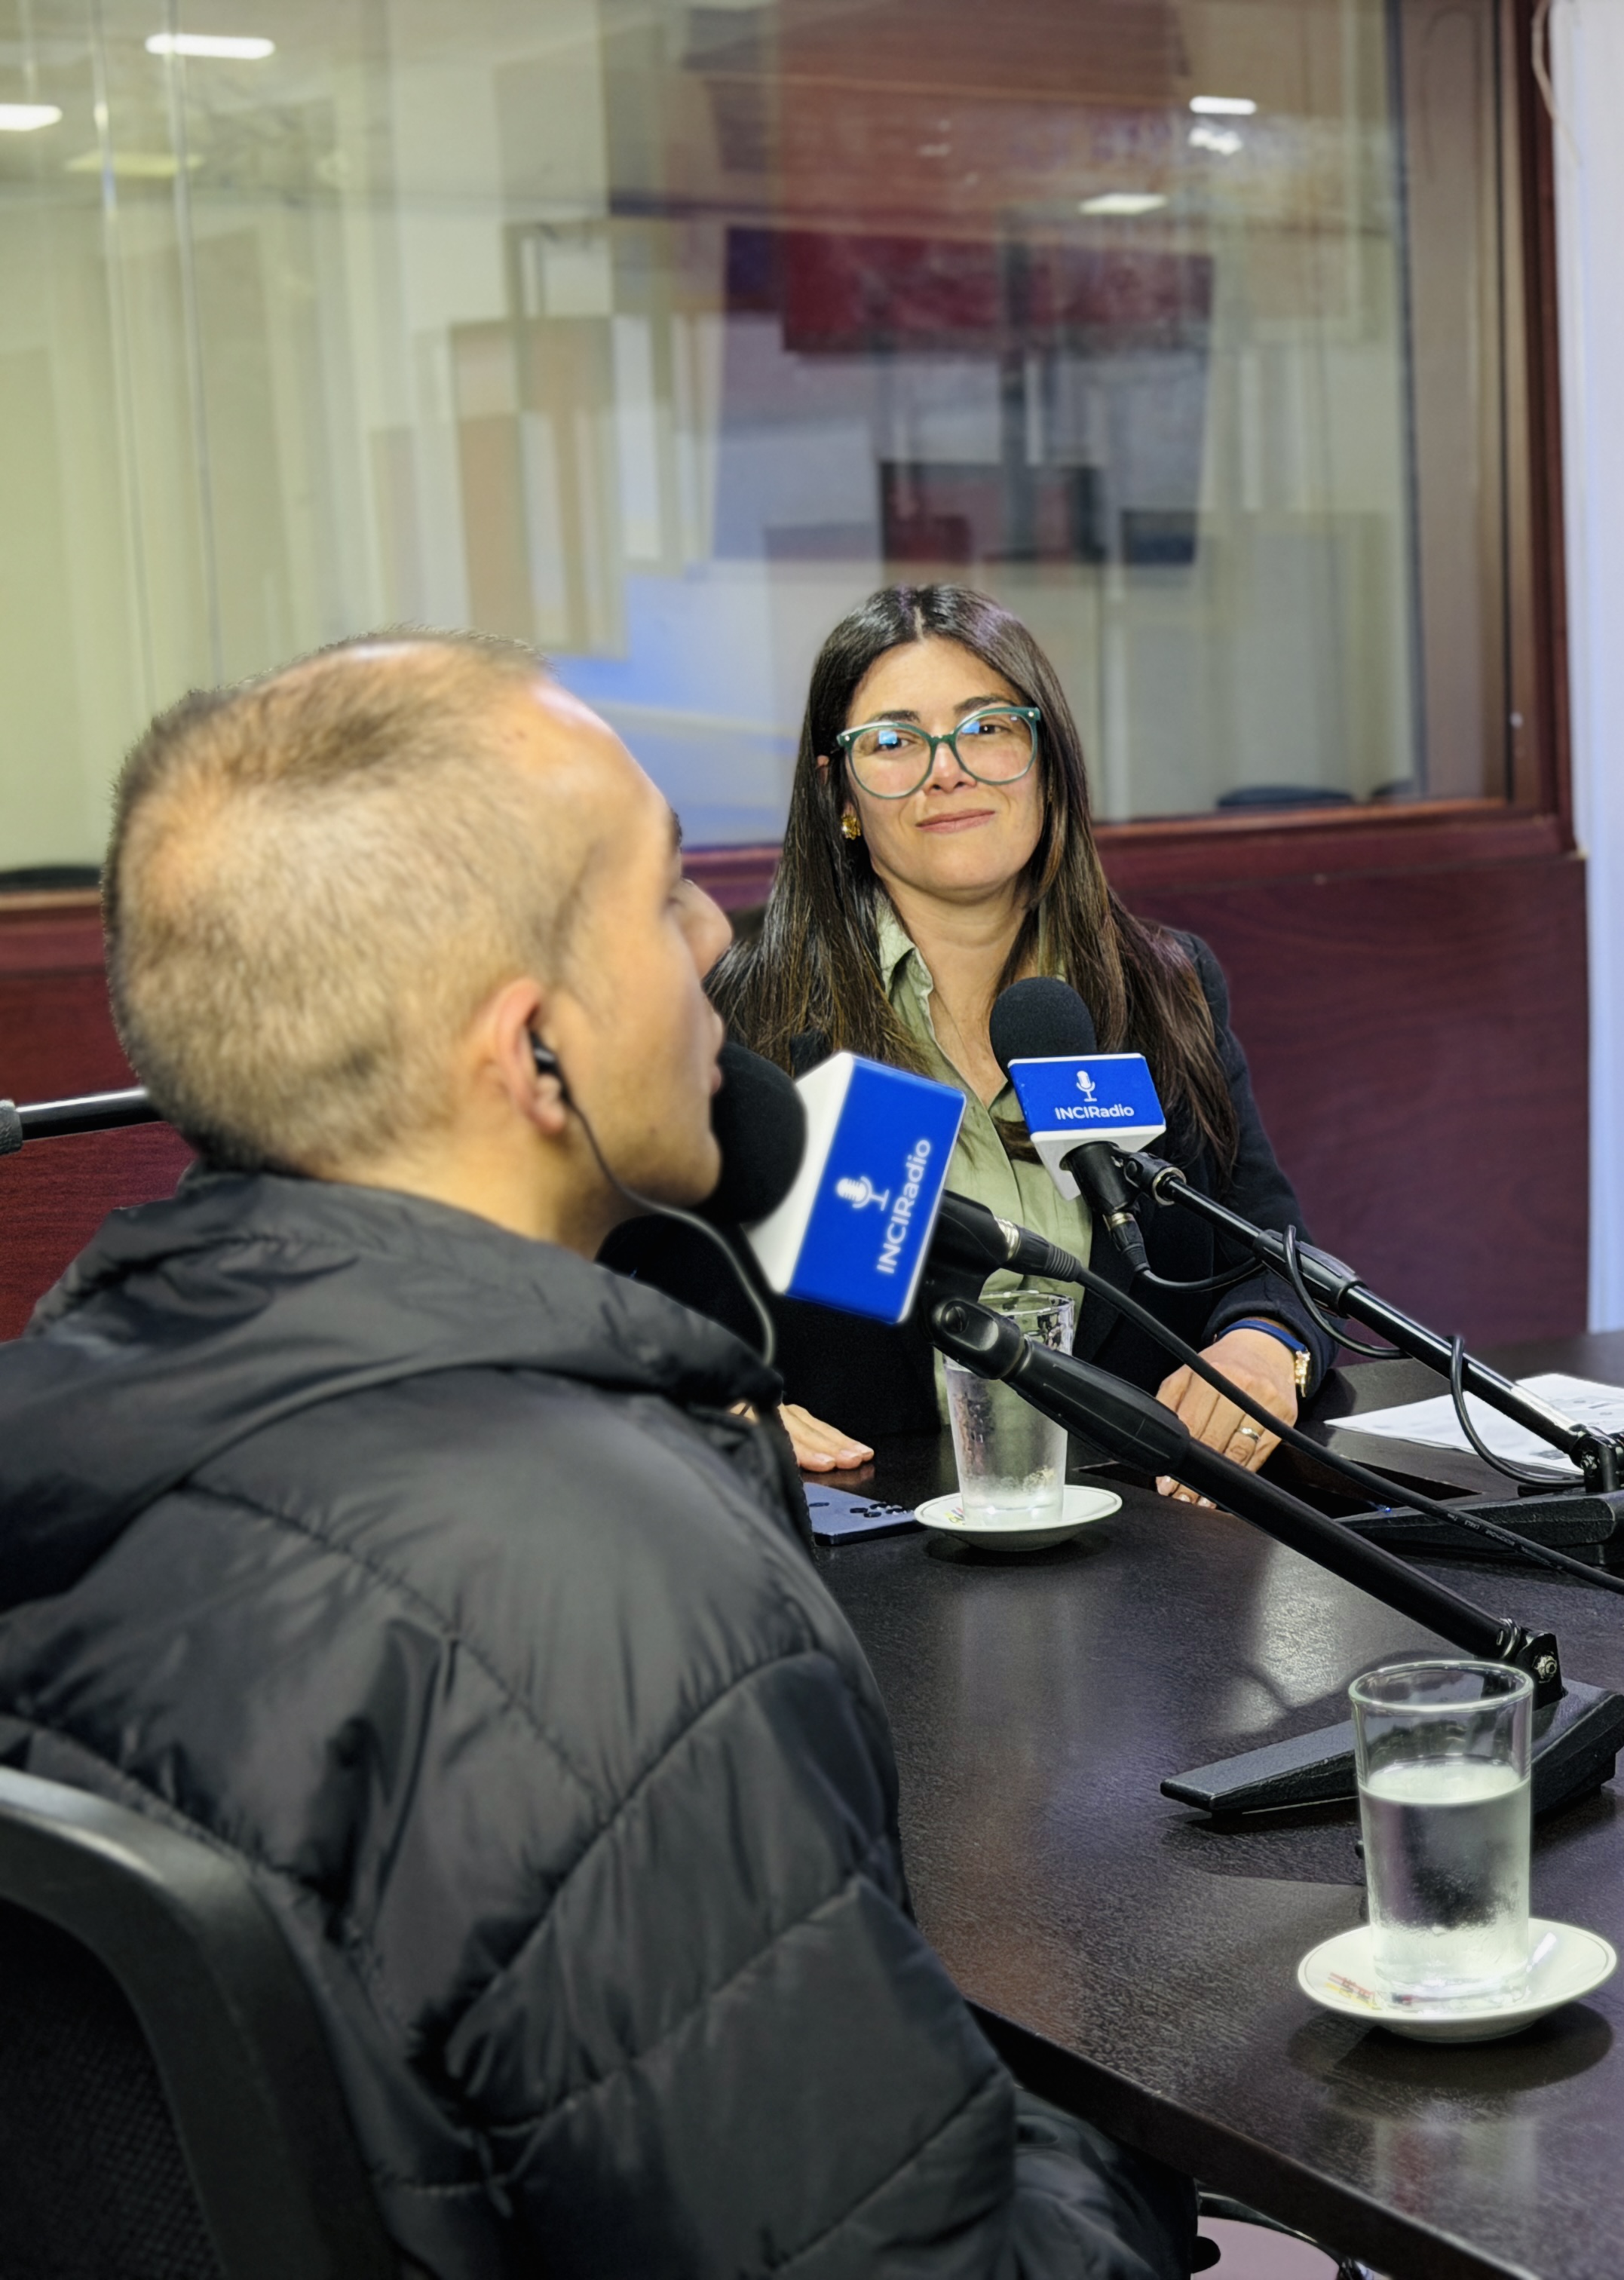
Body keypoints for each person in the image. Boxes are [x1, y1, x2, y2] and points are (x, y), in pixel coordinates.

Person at [0, 636, 1187, 2275]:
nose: (717, 942)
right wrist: (1128, 2133)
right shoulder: (612, 1602)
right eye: (660, 902)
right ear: (528, 1051)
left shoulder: (62, 1402)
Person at [688, 584, 1331, 1496]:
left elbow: (1273, 1253)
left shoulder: (1164, 984)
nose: (947, 770)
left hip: (1146, 1534)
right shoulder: (742, 1009)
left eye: (987, 727)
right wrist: (711, 1398)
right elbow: (649, 1296)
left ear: (1047, 759)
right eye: (893, 741)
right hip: (875, 1543)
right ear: (839, 795)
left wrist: (1266, 1348)